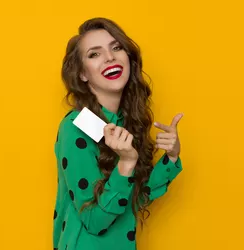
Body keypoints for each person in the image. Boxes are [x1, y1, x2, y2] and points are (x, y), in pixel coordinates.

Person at [53, 17, 184, 250]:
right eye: (94, 54)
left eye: (116, 47)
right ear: (82, 74)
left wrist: (171, 157)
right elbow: (94, 221)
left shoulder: (125, 122)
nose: (110, 57)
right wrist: (125, 163)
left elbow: (133, 198)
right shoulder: (76, 127)